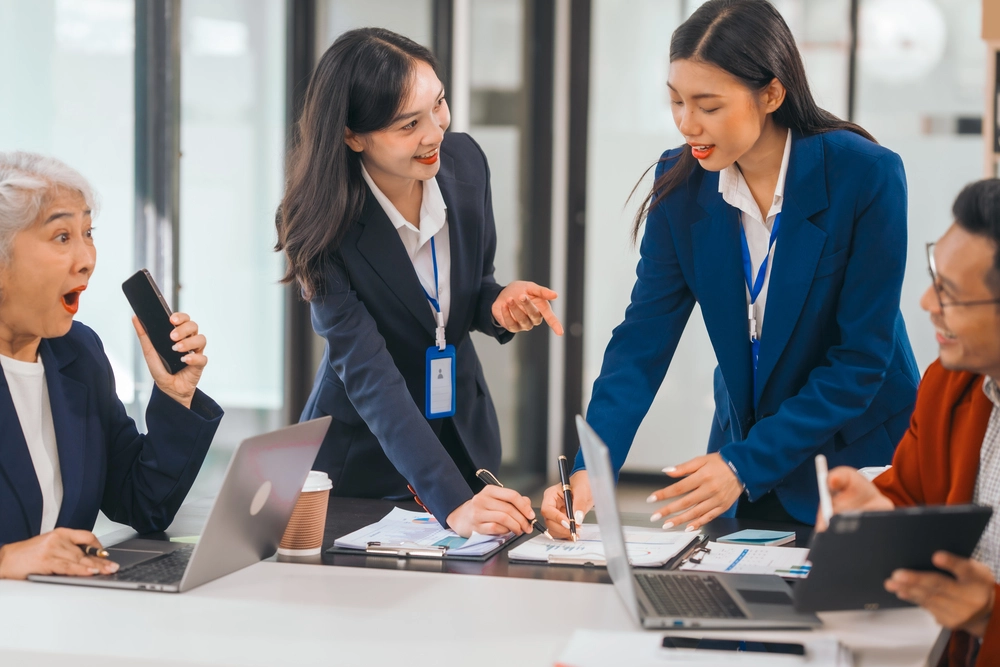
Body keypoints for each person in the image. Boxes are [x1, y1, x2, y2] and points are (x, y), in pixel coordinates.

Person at [542, 0, 918, 535]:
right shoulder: (681, 183)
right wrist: (589, 471)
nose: (686, 124)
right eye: (676, 101)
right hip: (743, 457)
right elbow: (642, 343)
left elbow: (860, 360)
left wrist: (743, 464)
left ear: (771, 94)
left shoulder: (865, 175)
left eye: (709, 106)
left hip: (853, 459)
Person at [275, 28, 562, 538]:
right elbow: (369, 374)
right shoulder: (320, 225)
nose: (435, 133)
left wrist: (498, 303)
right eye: (409, 124)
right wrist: (453, 503)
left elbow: (472, 286)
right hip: (363, 459)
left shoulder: (465, 163)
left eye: (439, 105)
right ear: (352, 135)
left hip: (463, 441)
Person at [0, 152, 222, 580]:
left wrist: (176, 394)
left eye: (88, 232)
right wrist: (6, 561)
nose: (86, 258)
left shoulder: (78, 353)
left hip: (69, 610)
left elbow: (140, 503)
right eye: (61, 236)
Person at [825, 179, 1000, 666]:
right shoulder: (949, 385)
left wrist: (990, 614)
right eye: (933, 278)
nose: (926, 303)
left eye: (950, 294)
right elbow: (911, 495)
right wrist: (878, 518)